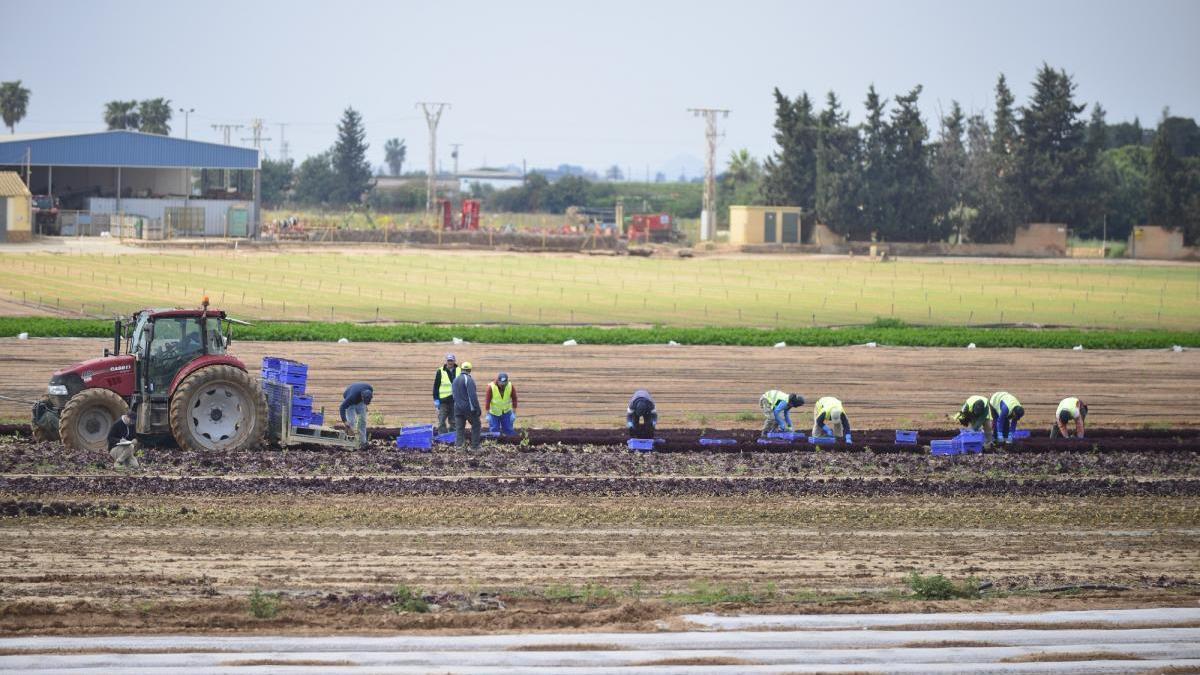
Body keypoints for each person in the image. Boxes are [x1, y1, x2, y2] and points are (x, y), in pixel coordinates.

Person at [452, 361, 482, 450]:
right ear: (469, 370)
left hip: (457, 408)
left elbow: (454, 395)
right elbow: (472, 396)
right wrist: (477, 408)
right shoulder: (469, 379)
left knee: (459, 428)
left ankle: (459, 446)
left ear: (461, 369)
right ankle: (475, 447)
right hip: (468, 408)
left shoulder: (455, 380)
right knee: (476, 425)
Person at [339, 382, 374, 449]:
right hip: (351, 403)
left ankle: (363, 442)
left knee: (363, 421)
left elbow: (366, 401)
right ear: (362, 397)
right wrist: (345, 421)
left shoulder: (370, 389)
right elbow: (342, 407)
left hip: (360, 402)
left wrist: (365, 405)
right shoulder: (351, 397)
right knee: (351, 422)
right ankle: (352, 443)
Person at [432, 354, 459, 435]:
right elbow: (436, 386)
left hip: (455, 401)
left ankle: (453, 437)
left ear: (454, 361)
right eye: (448, 360)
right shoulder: (440, 371)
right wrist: (436, 400)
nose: (450, 362)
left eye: (451, 360)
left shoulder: (459, 370)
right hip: (443, 401)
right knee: (441, 421)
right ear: (446, 361)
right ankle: (442, 438)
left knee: (454, 421)